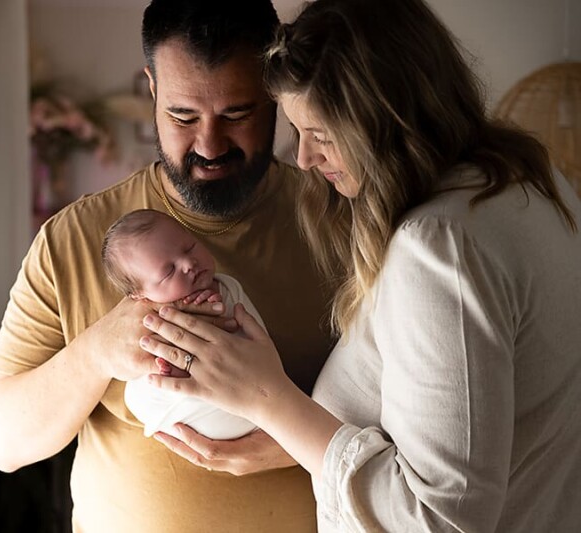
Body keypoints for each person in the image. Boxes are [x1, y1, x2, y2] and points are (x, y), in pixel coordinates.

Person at [139, 0, 581, 531]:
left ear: (387, 121)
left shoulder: (441, 248)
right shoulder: (533, 183)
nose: (303, 158)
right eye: (299, 134)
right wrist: (297, 442)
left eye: (321, 136)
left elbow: (441, 519)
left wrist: (269, 400)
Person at [0, 1, 334, 531]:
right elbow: (2, 443)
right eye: (183, 117)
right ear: (152, 90)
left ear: (275, 96)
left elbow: (428, 425)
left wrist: (294, 441)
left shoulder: (341, 220)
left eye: (237, 114)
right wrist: (96, 352)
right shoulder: (72, 240)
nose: (209, 146)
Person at [102, 208, 263, 440]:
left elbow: (254, 348)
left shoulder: (228, 288)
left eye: (190, 247)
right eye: (169, 271)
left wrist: (219, 316)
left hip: (246, 403)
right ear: (140, 296)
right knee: (137, 393)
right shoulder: (147, 319)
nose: (189, 263)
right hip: (192, 418)